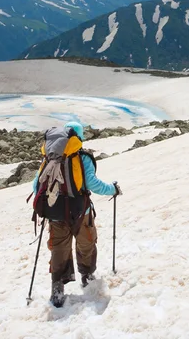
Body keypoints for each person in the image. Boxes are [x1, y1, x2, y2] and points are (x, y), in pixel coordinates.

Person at [33, 121, 122, 307]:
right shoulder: (82, 157)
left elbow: (36, 186)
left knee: (59, 248)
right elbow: (93, 184)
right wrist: (113, 189)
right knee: (86, 243)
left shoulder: (49, 157)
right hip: (81, 211)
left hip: (55, 212)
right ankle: (87, 278)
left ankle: (57, 290)